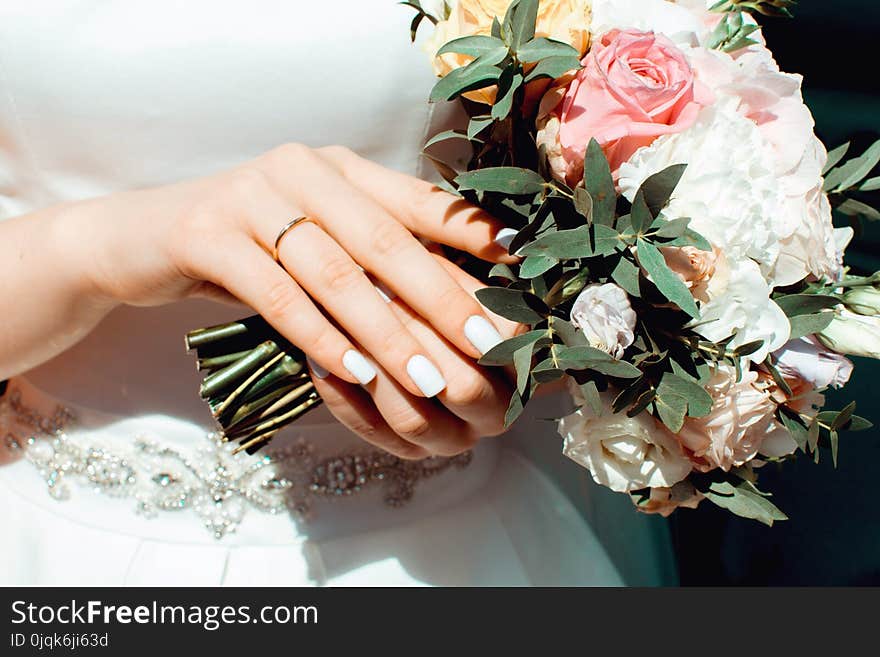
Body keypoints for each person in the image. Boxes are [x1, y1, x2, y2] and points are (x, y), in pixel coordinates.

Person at [0, 1, 673, 586]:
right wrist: (93, 249)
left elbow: (633, 231)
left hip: (450, 545)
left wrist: (538, 349)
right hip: (50, 537)